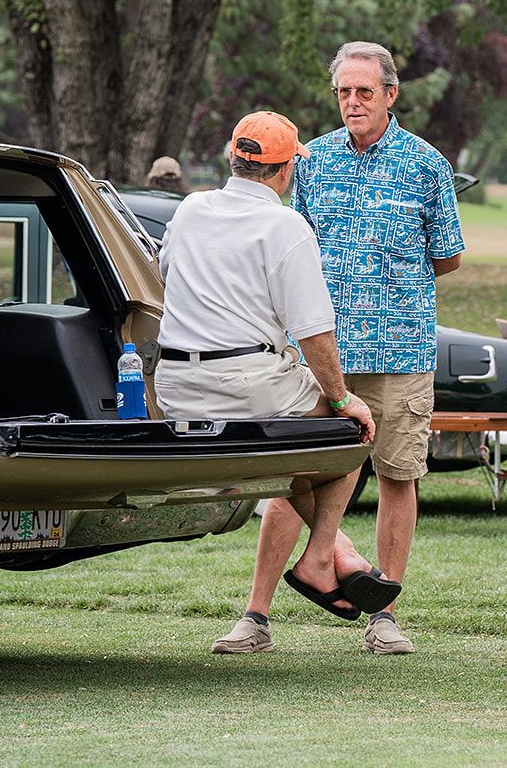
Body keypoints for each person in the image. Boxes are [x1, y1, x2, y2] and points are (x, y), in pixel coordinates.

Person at [155, 111, 391, 656]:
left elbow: (166, 278)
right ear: (285, 171)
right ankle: (321, 555)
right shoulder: (286, 225)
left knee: (301, 463)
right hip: (247, 382)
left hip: (175, 385)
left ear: (231, 159)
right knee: (350, 432)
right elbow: (313, 331)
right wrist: (341, 397)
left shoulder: (190, 209)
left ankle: (343, 557)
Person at [287, 40, 466, 655]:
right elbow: (293, 250)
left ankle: (382, 612)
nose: (353, 103)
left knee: (397, 475)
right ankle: (256, 614)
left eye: (365, 92)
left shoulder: (427, 165)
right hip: (322, 354)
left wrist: (386, 280)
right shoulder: (310, 162)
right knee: (293, 474)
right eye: (344, 92)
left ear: (392, 95)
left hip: (400, 349)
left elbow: (448, 255)